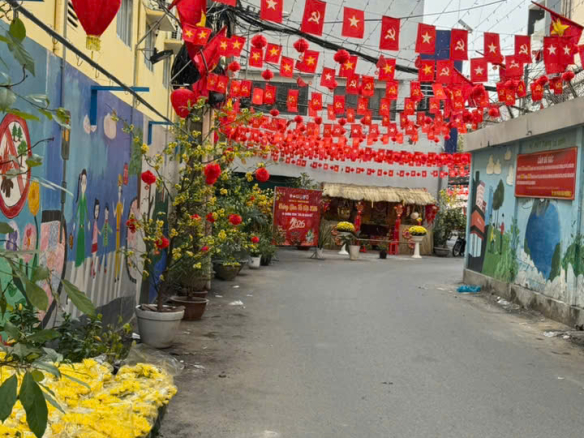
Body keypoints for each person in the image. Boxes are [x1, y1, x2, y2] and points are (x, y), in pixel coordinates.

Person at [101, 203, 113, 274]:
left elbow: (110, 231)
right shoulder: (104, 224)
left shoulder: (107, 224)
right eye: (105, 213)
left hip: (106, 241)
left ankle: (105, 266)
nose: (106, 215)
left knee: (105, 254)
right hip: (103, 241)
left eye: (107, 213)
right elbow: (102, 231)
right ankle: (101, 264)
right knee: (102, 253)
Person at [90, 199, 101, 277]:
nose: (97, 212)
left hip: (95, 241)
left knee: (94, 256)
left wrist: (98, 231)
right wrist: (98, 231)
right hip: (94, 242)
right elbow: (95, 228)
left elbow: (96, 228)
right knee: (93, 256)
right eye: (96, 209)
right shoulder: (94, 222)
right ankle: (92, 270)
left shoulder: (95, 221)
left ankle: (93, 269)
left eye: (98, 210)